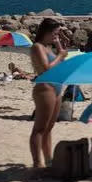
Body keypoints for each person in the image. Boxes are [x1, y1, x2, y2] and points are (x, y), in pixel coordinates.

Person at [29, 18, 68, 169]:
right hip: (45, 88)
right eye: (55, 33)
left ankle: (49, 160)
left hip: (56, 88)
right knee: (39, 128)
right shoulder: (37, 47)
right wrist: (60, 56)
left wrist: (59, 48)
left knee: (49, 128)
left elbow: (60, 65)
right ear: (47, 31)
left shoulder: (49, 47)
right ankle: (37, 163)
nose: (56, 36)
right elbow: (46, 68)